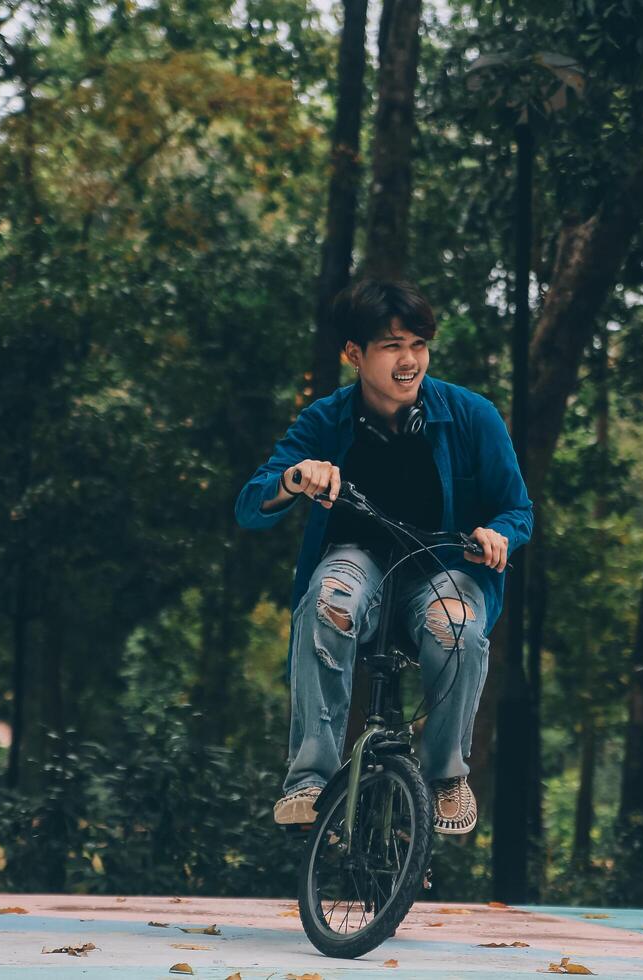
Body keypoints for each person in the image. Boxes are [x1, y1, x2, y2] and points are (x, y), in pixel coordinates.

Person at [234, 278, 533, 835]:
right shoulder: (325, 420)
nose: (409, 360)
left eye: (418, 345)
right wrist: (296, 478)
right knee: (328, 601)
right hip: (357, 560)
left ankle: (447, 777)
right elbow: (252, 504)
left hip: (443, 568)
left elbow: (517, 509)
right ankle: (308, 780)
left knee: (458, 627)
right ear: (354, 353)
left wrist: (497, 534)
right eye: (393, 345)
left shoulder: (472, 416)